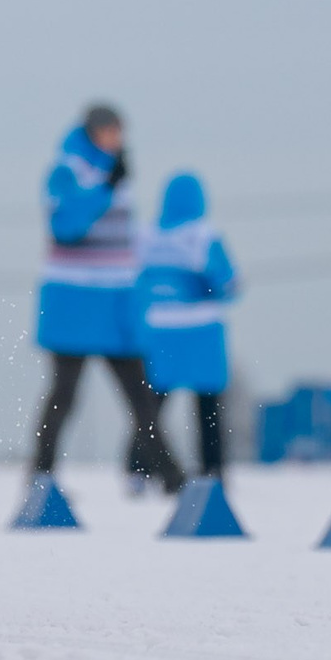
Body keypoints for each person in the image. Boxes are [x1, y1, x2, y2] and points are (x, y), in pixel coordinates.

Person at [30, 104, 185, 501]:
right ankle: (40, 473)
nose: (117, 140)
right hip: (76, 300)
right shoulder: (67, 170)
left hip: (115, 303)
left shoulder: (119, 175)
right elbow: (66, 227)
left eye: (121, 133)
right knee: (65, 393)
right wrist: (104, 189)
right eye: (111, 132)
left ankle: (171, 475)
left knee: (140, 394)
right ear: (93, 131)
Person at [136, 173, 238, 490]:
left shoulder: (146, 236)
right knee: (207, 408)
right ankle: (213, 470)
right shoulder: (205, 237)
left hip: (158, 332)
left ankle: (139, 467)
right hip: (200, 331)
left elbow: (133, 281)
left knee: (150, 406)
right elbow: (229, 284)